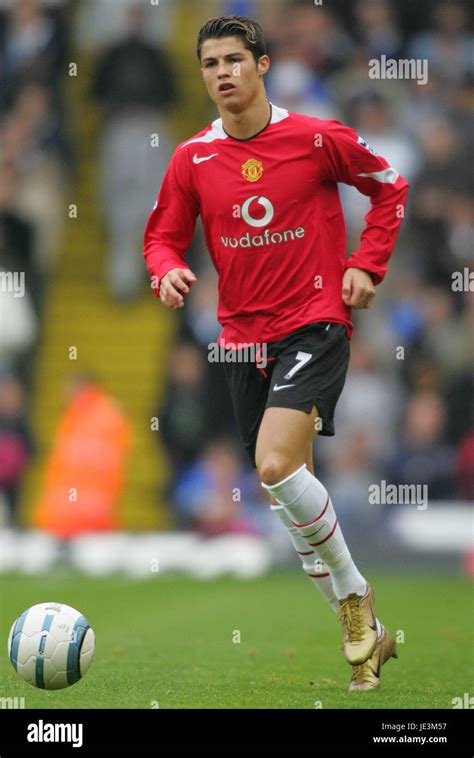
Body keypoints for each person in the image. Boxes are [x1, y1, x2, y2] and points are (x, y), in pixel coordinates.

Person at [143, 15, 409, 692]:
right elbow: (162, 237)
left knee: (272, 461)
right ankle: (367, 642)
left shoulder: (316, 138)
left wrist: (367, 266)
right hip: (241, 342)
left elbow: (389, 185)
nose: (222, 73)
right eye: (210, 64)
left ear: (263, 66)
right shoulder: (191, 160)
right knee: (285, 492)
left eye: (235, 59)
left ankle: (356, 598)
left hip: (315, 324)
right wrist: (166, 270)